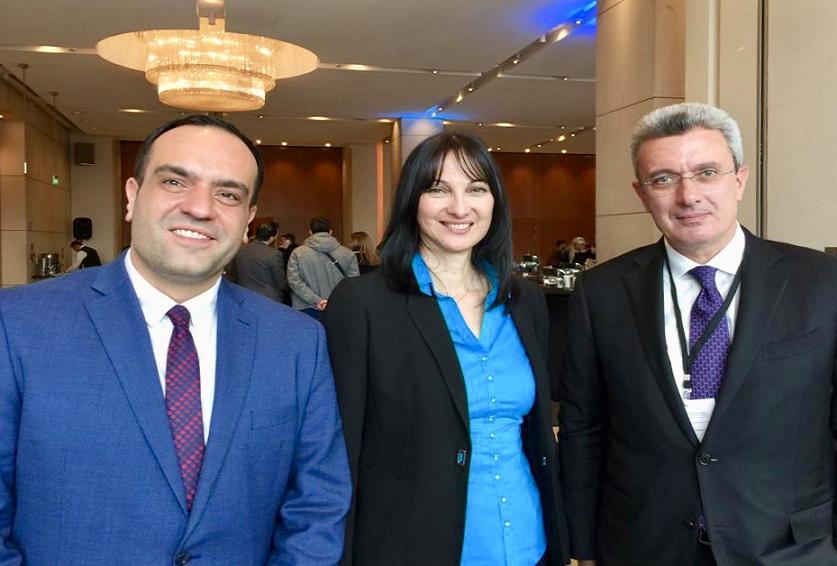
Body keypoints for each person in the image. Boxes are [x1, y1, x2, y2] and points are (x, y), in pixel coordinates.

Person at [0, 114, 350, 564]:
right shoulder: (18, 324)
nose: (200, 208)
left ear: (248, 219)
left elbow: (316, 505)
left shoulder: (296, 342)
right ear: (132, 196)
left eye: (228, 194)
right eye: (174, 182)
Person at [559, 102, 837, 566]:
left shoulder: (821, 282)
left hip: (789, 547)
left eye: (707, 173)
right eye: (663, 179)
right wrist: (583, 546)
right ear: (641, 193)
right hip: (645, 544)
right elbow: (584, 427)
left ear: (739, 180)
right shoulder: (602, 292)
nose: (688, 196)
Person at [321, 131, 569, 566]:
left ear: (495, 202)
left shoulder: (523, 300)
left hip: (528, 542)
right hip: (413, 545)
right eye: (438, 189)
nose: (459, 207)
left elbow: (536, 433)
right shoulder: (364, 304)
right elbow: (339, 451)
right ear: (412, 201)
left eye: (476, 189)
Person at [287, 217, 359, 319]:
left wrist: (317, 300)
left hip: (306, 307)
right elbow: (353, 283)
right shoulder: (348, 254)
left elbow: (294, 281)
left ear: (310, 232)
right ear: (330, 232)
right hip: (339, 307)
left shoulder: (297, 253)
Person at [228, 220, 289, 303]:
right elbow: (281, 282)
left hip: (243, 298)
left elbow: (232, 274)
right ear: (271, 238)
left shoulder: (239, 250)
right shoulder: (274, 254)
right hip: (269, 301)